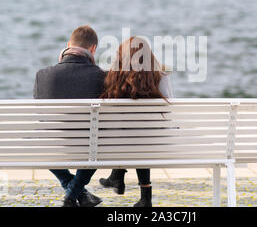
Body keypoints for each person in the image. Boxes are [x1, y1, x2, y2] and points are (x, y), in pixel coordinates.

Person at [33, 25, 105, 207]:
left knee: (42, 138)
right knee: (98, 143)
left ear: (68, 45)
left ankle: (72, 191)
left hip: (51, 147)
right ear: (93, 49)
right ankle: (71, 197)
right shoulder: (102, 76)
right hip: (89, 147)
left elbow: (41, 117)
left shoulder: (42, 75)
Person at [98, 36, 173, 207]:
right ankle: (145, 196)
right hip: (157, 143)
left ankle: (117, 176)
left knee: (128, 132)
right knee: (142, 134)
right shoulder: (161, 76)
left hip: (119, 143)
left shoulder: (113, 78)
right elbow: (169, 109)